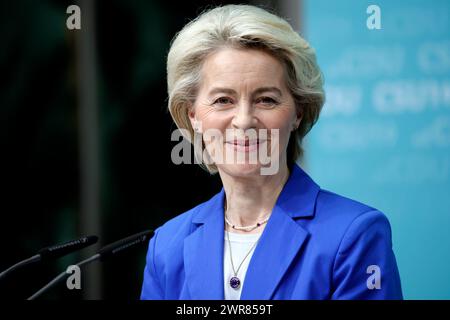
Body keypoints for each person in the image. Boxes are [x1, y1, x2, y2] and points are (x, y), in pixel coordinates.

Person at [140, 4, 402, 300]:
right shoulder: (167, 245)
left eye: (265, 100)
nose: (244, 121)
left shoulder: (355, 235)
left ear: (298, 112)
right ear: (193, 116)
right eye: (223, 100)